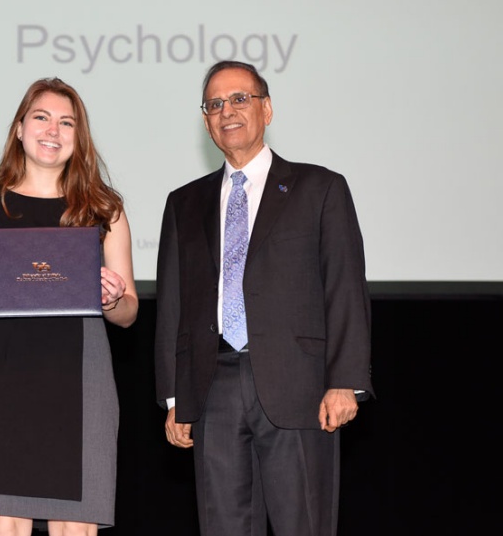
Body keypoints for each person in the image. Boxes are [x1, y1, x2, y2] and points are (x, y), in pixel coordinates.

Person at [154, 60, 374, 536]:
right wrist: (175, 395)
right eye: (214, 104)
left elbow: (345, 287)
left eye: (239, 99)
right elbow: (173, 305)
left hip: (301, 388)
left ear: (267, 109)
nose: (226, 111)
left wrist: (347, 381)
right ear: (206, 120)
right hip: (211, 388)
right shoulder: (183, 202)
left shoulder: (320, 188)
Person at [0, 78, 138, 536]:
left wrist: (113, 298)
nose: (52, 130)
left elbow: (129, 311)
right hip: (4, 379)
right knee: (4, 525)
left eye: (66, 122)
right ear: (19, 129)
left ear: (80, 137)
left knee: (75, 527)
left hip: (81, 379)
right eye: (41, 117)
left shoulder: (104, 210)